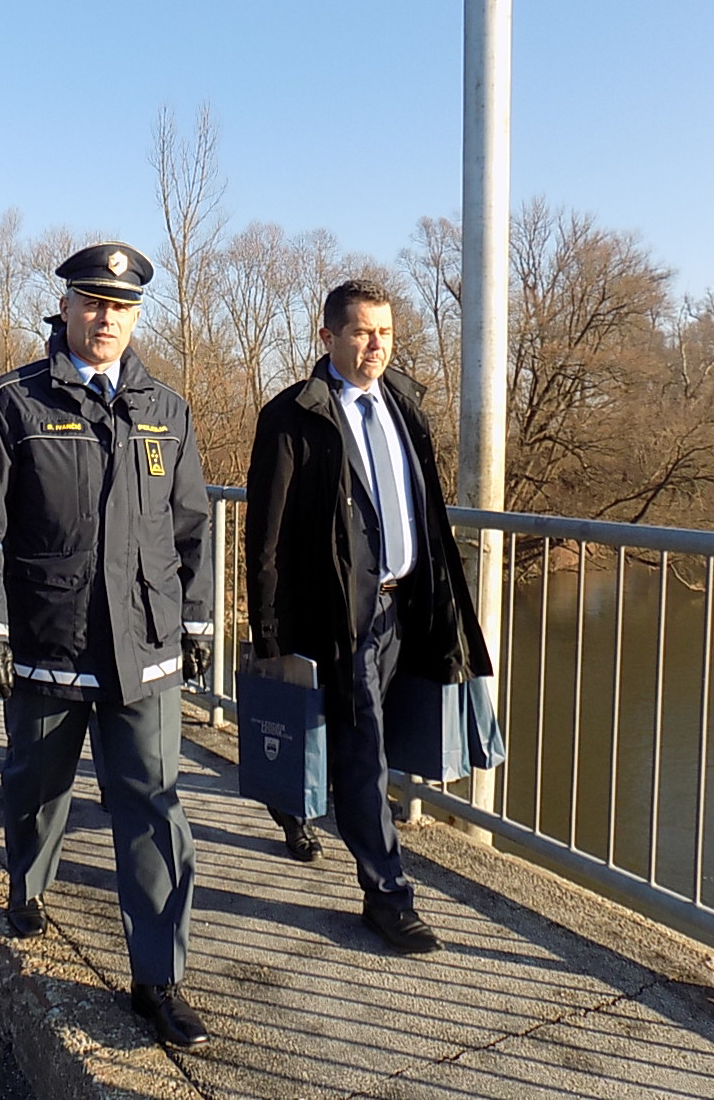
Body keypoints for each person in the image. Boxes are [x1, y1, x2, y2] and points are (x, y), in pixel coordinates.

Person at [0, 242, 214, 1048]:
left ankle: (158, 978)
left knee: (152, 806)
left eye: (123, 307)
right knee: (36, 783)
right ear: (63, 307)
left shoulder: (165, 406)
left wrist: (197, 623)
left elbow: (191, 529)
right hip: (46, 640)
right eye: (93, 303)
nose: (107, 319)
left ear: (136, 317)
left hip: (142, 647)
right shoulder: (14, 403)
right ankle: (27, 885)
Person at [244, 278, 493, 955]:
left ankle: (292, 799)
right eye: (360, 331)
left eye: (384, 331)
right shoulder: (294, 415)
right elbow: (263, 538)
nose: (375, 344)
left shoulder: (404, 402)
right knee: (364, 752)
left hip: (406, 606)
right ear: (327, 337)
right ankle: (387, 896)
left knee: (359, 742)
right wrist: (268, 639)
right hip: (342, 617)